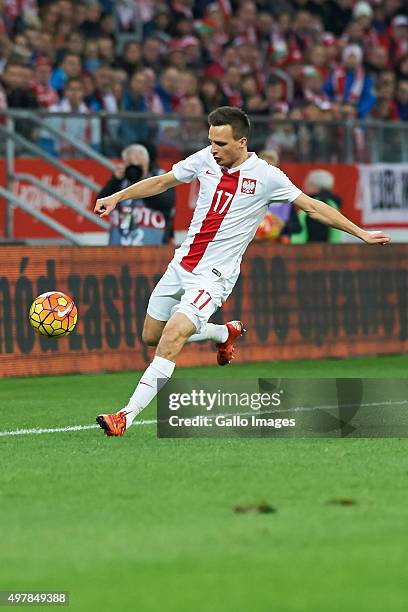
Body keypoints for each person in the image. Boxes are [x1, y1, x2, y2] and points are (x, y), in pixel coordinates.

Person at [93, 106, 391, 437]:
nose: (213, 149)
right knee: (151, 336)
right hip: (181, 265)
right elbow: (163, 181)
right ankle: (222, 333)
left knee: (172, 337)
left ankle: (125, 416)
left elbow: (313, 207)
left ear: (242, 142)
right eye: (211, 141)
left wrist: (361, 233)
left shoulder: (267, 176)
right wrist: (118, 196)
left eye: (220, 143)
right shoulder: (205, 159)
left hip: (214, 277)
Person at [98, 144, 175, 245]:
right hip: (119, 251)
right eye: (131, 165)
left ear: (147, 164)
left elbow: (167, 203)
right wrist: (115, 180)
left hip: (154, 252)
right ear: (124, 164)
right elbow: (101, 207)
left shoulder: (159, 181)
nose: (135, 170)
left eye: (138, 165)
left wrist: (142, 184)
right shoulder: (120, 183)